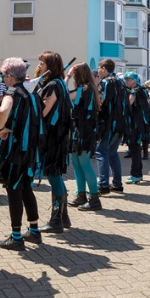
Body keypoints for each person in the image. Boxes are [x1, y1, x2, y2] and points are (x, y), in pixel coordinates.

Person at [0, 58, 43, 250]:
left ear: (10, 76)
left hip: (15, 150)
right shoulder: (31, 93)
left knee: (14, 190)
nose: (2, 79)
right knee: (26, 188)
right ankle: (34, 230)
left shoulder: (12, 92)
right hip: (29, 150)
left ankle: (16, 236)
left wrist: (0, 128)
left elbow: (3, 110)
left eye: (3, 75)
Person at [52, 62, 98, 230]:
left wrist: (68, 76)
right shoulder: (87, 89)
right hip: (80, 130)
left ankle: (94, 198)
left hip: (84, 132)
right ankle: (82, 195)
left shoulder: (84, 90)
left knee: (84, 163)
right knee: (77, 163)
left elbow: (62, 92)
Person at [33, 51, 72, 225]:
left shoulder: (53, 86)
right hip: (58, 135)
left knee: (53, 174)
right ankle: (63, 216)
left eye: (42, 63)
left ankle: (56, 219)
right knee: (55, 174)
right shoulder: (59, 84)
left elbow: (43, 112)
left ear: (51, 66)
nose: (39, 65)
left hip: (53, 137)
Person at [87, 59, 125, 203]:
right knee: (112, 153)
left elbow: (100, 102)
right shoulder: (120, 82)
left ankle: (103, 185)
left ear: (104, 68)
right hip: (119, 123)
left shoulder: (105, 83)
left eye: (99, 68)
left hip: (107, 123)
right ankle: (117, 183)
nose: (98, 71)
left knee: (100, 152)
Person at [124, 72, 150, 184]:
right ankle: (138, 174)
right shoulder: (143, 90)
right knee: (136, 150)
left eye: (128, 79)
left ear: (134, 80)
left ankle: (135, 174)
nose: (126, 81)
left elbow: (128, 104)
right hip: (141, 124)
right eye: (125, 79)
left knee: (134, 149)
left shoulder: (134, 91)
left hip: (135, 124)